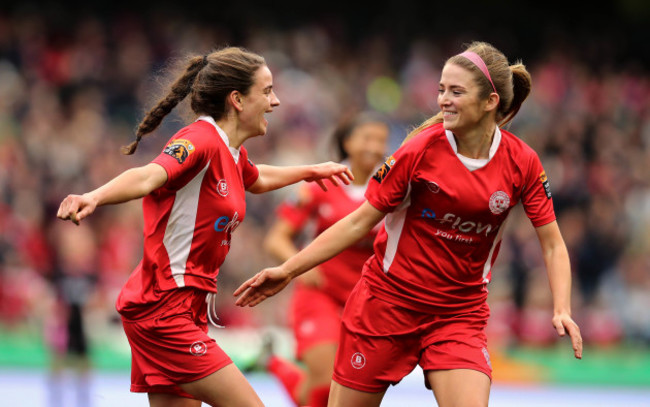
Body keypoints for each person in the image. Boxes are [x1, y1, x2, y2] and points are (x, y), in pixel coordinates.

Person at [234, 41, 583, 407]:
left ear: (490, 102)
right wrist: (288, 270)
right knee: (321, 392)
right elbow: (357, 223)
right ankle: (274, 363)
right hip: (386, 306)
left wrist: (562, 307)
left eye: (456, 92)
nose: (443, 100)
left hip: (459, 314)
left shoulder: (522, 162)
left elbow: (553, 243)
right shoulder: (419, 150)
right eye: (441, 90)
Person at [56, 46, 353, 407]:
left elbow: (256, 179)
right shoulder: (201, 140)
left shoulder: (231, 151)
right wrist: (95, 196)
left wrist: (311, 170)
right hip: (164, 308)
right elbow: (150, 175)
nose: (275, 102)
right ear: (237, 100)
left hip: (183, 307)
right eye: (267, 91)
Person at [259, 113, 389, 407]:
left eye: (381, 140)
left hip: (364, 301)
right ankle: (275, 364)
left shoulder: (390, 188)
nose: (374, 146)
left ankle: (273, 363)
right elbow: (276, 238)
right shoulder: (323, 184)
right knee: (324, 380)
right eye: (367, 138)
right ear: (347, 143)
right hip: (320, 294)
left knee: (335, 393)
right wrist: (299, 268)